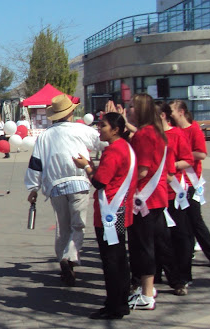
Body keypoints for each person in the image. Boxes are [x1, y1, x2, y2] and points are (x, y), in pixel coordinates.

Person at [25, 94, 104, 286]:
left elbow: (36, 164)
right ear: (71, 112)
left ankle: (63, 258)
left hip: (55, 185)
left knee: (62, 226)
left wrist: (33, 187)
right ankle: (71, 256)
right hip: (78, 180)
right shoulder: (81, 129)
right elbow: (102, 142)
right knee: (78, 225)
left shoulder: (44, 136)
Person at [73, 112, 136, 320]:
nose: (100, 129)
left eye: (104, 126)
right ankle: (121, 302)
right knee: (119, 259)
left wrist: (87, 167)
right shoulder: (125, 147)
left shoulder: (114, 150)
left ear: (115, 130)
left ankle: (114, 305)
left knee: (112, 261)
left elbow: (100, 181)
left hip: (110, 211)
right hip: (120, 210)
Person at [123, 93, 182, 310]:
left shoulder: (144, 135)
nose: (129, 110)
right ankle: (153, 287)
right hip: (156, 196)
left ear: (141, 110)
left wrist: (119, 179)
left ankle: (147, 293)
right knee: (155, 243)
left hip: (144, 199)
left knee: (142, 246)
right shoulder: (155, 132)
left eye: (131, 107)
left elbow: (142, 170)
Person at [168, 100, 210, 269]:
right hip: (175, 181)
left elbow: (201, 153)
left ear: (181, 112)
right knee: (182, 222)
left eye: (172, 111)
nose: (170, 114)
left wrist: (181, 155)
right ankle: (185, 253)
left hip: (190, 181)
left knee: (196, 220)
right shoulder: (173, 130)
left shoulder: (193, 129)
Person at [157, 102, 194, 292]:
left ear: (163, 115)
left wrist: (171, 167)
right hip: (155, 195)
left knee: (180, 235)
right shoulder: (152, 136)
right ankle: (164, 274)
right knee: (161, 237)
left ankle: (183, 277)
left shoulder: (177, 134)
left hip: (173, 191)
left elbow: (188, 159)